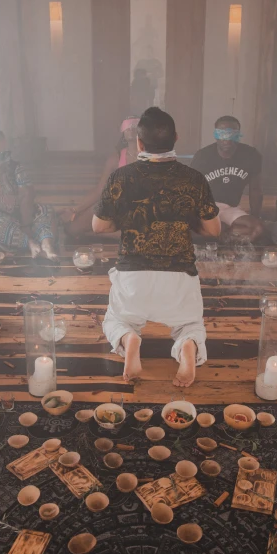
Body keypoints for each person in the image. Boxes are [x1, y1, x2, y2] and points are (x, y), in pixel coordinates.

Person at [93, 107, 221, 388]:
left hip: (133, 279)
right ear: (176, 138)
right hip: (179, 278)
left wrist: (128, 220)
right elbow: (214, 229)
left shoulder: (121, 177)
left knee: (115, 321)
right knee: (190, 325)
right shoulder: (194, 178)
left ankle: (129, 339)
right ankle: (187, 345)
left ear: (139, 143)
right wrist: (186, 221)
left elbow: (98, 226)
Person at [0, 127, 57, 259]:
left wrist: (25, 224)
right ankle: (28, 243)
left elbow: (27, 194)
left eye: (0, 148)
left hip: (17, 213)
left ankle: (46, 244)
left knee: (44, 209)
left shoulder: (13, 165)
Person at [61, 117, 139, 237]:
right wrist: (75, 210)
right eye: (128, 126)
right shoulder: (115, 159)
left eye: (135, 125)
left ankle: (118, 234)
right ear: (122, 132)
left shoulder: (152, 158)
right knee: (72, 229)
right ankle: (116, 234)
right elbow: (100, 190)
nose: (131, 128)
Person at [190, 116, 265, 241]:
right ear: (215, 135)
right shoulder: (202, 156)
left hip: (229, 209)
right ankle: (224, 233)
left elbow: (255, 190)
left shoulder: (251, 155)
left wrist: (255, 216)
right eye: (222, 134)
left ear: (239, 135)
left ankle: (222, 233)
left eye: (232, 134)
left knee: (258, 229)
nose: (227, 139)